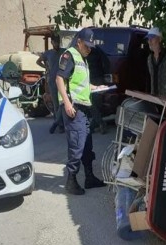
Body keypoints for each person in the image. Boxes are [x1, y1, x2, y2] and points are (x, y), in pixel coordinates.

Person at [56, 28, 107, 195]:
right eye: (87, 46)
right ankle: (71, 181)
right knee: (77, 144)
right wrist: (67, 103)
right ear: (78, 42)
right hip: (74, 108)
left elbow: (81, 84)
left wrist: (96, 87)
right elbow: (59, 79)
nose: (89, 49)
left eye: (91, 46)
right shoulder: (69, 55)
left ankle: (89, 177)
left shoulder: (82, 59)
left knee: (87, 143)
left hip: (84, 109)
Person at [36, 35, 65, 134]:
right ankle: (59, 124)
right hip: (52, 80)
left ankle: (60, 122)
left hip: (63, 80)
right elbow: (38, 61)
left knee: (63, 102)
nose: (57, 43)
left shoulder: (64, 51)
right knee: (56, 103)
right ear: (52, 42)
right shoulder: (48, 53)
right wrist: (46, 67)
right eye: (55, 42)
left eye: (58, 41)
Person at [86, 45, 111, 134]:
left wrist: (105, 77)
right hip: (88, 80)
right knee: (91, 104)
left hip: (98, 80)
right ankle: (98, 123)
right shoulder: (82, 50)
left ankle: (97, 124)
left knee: (94, 103)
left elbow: (106, 62)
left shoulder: (97, 50)